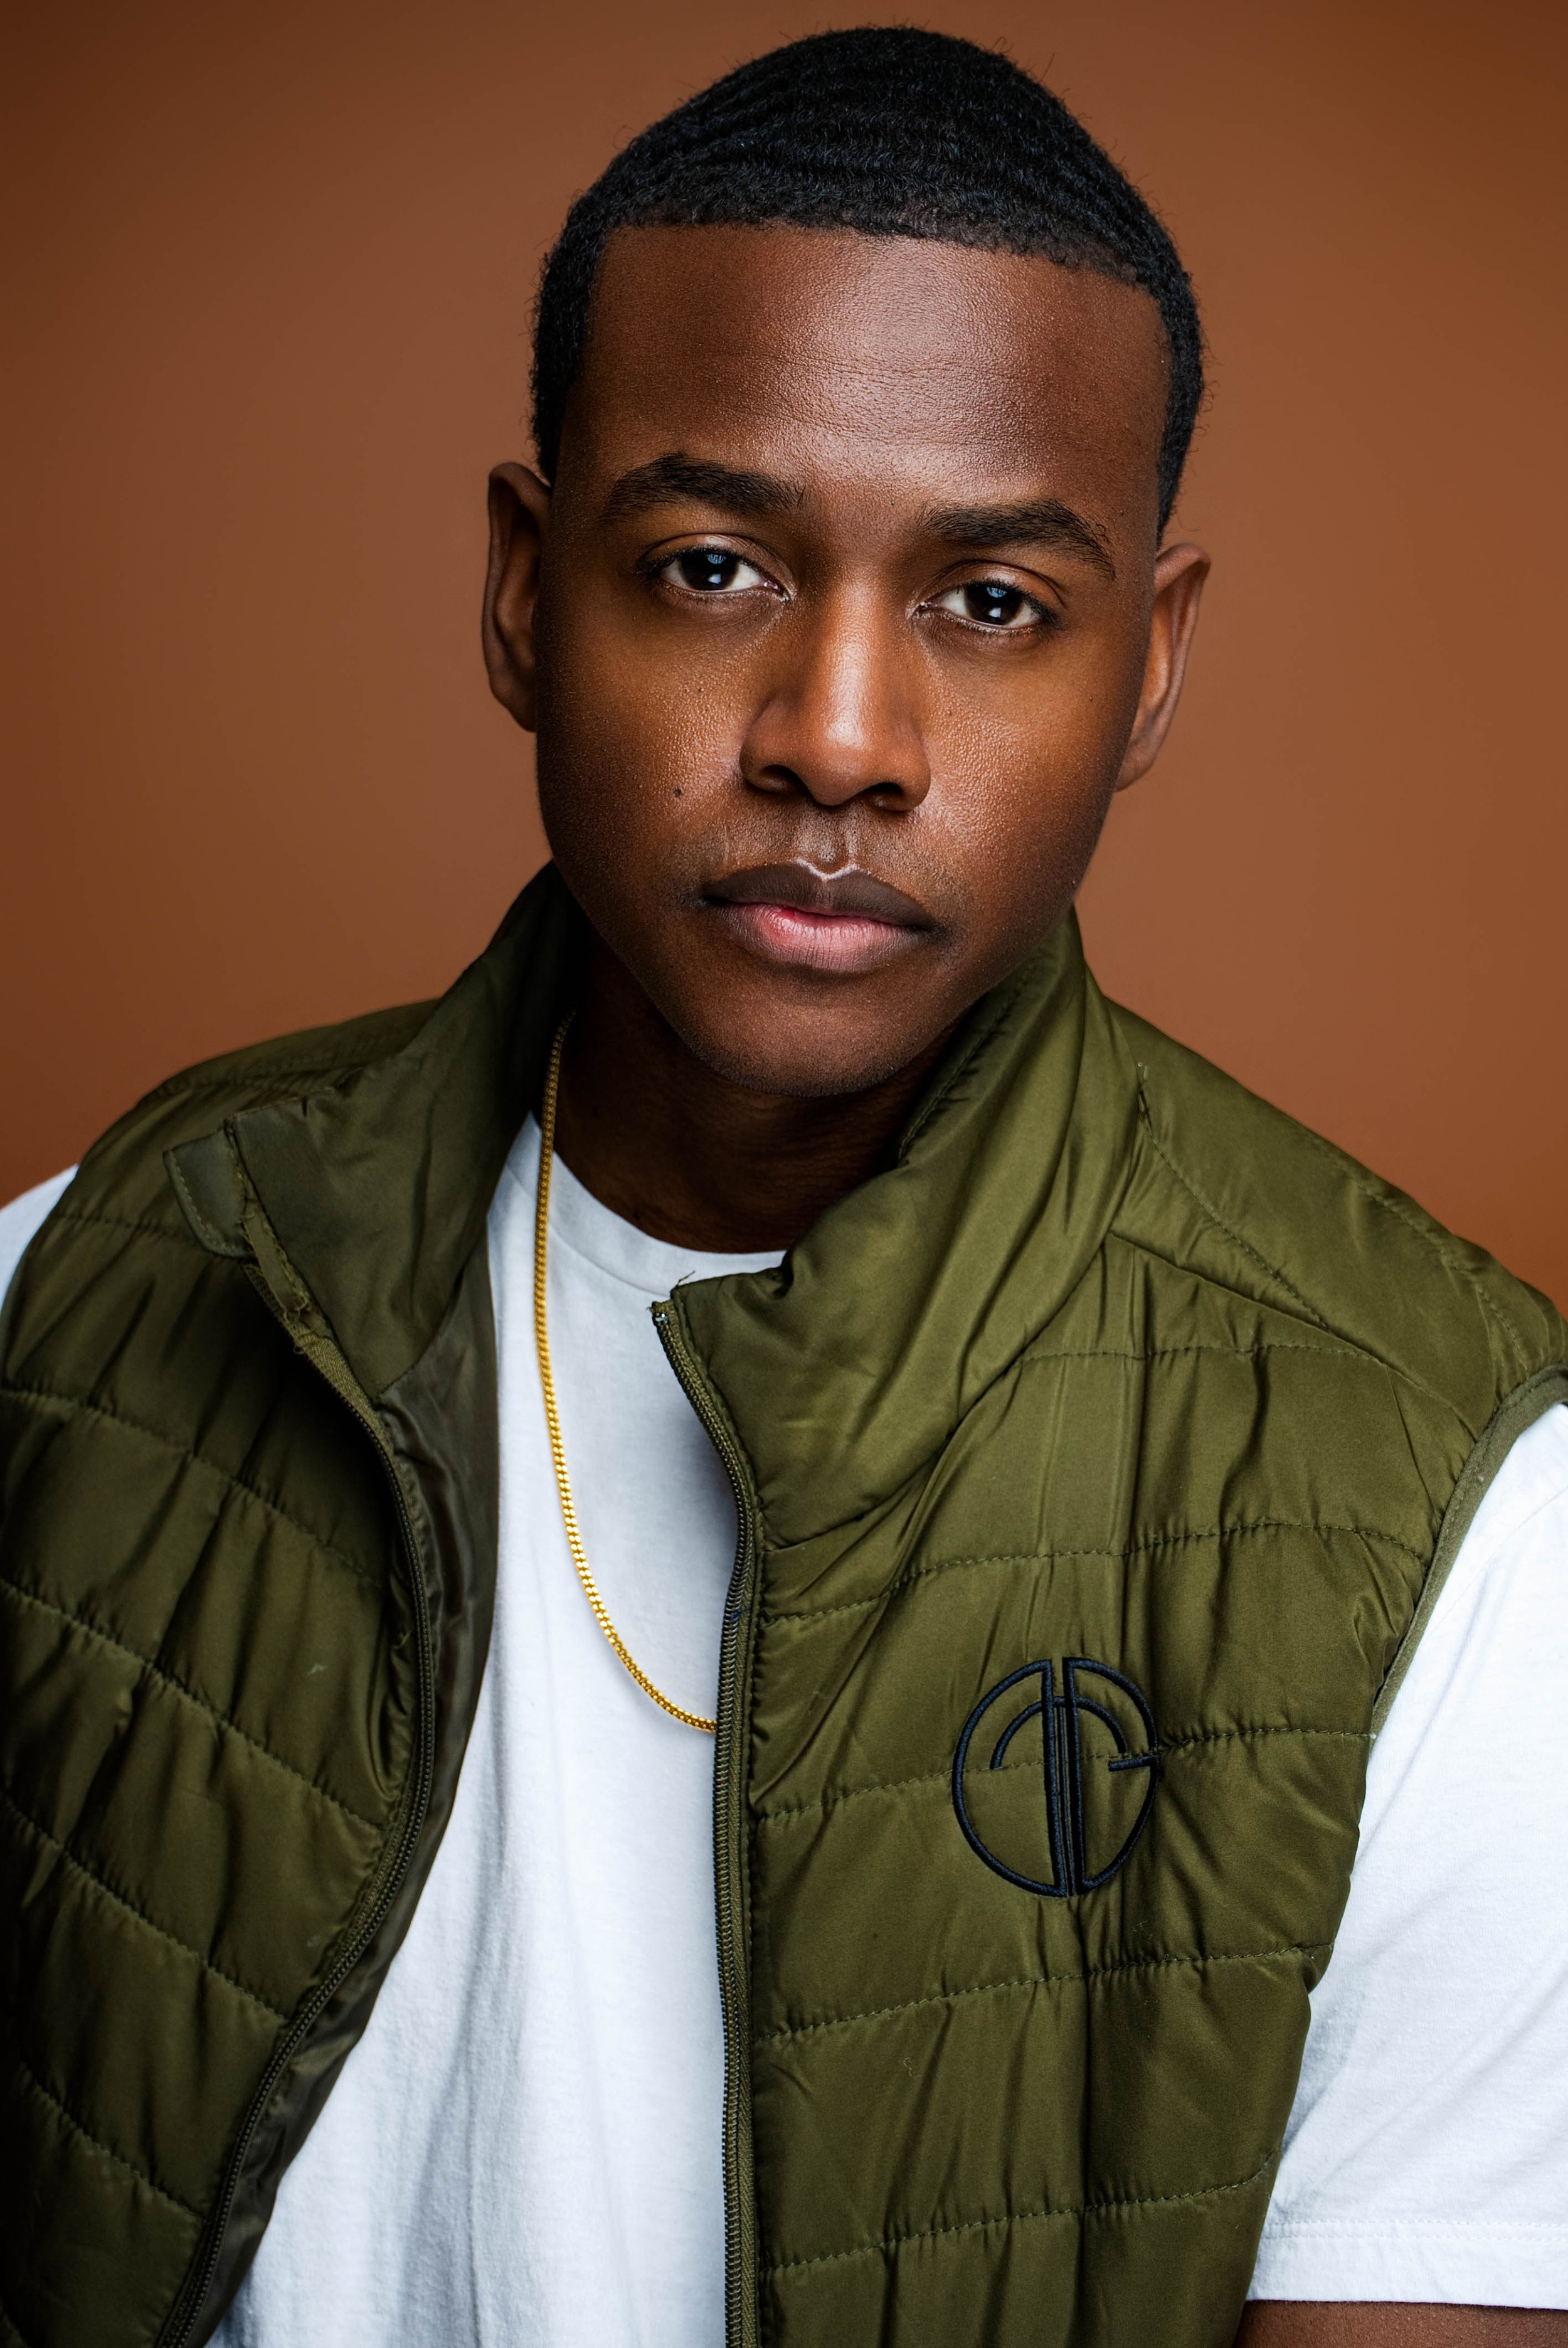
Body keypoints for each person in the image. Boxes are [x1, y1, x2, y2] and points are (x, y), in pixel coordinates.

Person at [2, 26, 1565, 2348]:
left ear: (1151, 667)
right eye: (714, 562)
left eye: (995, 603)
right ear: (532, 594)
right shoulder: (80, 1289)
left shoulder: (1462, 1515)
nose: (838, 733)